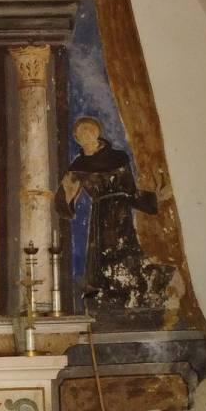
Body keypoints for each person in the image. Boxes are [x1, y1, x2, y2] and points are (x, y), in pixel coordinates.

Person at [57, 116, 161, 307]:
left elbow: (130, 190)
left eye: (90, 130)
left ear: (98, 132)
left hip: (121, 211)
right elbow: (66, 194)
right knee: (100, 251)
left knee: (123, 247)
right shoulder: (78, 165)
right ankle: (104, 291)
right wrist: (63, 198)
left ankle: (129, 290)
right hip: (100, 212)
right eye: (82, 132)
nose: (87, 134)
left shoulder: (118, 157)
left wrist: (155, 198)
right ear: (77, 139)